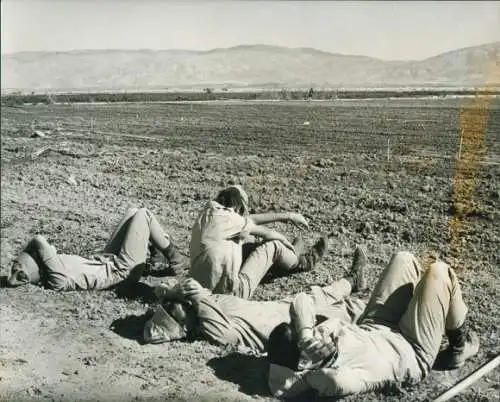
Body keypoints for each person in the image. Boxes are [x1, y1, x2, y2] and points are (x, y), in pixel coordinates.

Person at [267, 251, 480, 399]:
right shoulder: (340, 374)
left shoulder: (312, 339)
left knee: (403, 259)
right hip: (411, 350)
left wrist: (305, 336)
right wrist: (318, 366)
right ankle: (458, 347)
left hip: (376, 324)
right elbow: (335, 383)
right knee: (440, 272)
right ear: (303, 364)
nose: (316, 335)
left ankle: (419, 306)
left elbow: (300, 300)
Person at [142, 246, 368, 353]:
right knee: (351, 310)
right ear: (183, 327)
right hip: (295, 323)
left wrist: (172, 295)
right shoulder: (210, 328)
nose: (179, 305)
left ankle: (352, 280)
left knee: (320, 294)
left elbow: (162, 290)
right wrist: (192, 296)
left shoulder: (198, 309)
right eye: (175, 311)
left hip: (278, 307)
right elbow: (225, 332)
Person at [189, 184, 326, 299]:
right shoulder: (229, 219)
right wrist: (287, 243)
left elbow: (249, 220)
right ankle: (302, 262)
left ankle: (280, 263)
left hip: (201, 291)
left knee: (247, 242)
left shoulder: (209, 214)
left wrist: (288, 216)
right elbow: (268, 233)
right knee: (274, 246)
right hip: (230, 296)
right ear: (238, 206)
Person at [6, 206, 189, 291]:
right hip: (122, 271)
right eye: (38, 259)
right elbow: (39, 240)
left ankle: (157, 256)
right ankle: (176, 260)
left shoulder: (52, 271)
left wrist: (24, 259)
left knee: (133, 212)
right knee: (144, 215)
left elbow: (45, 247)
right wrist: (25, 253)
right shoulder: (56, 280)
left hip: (108, 260)